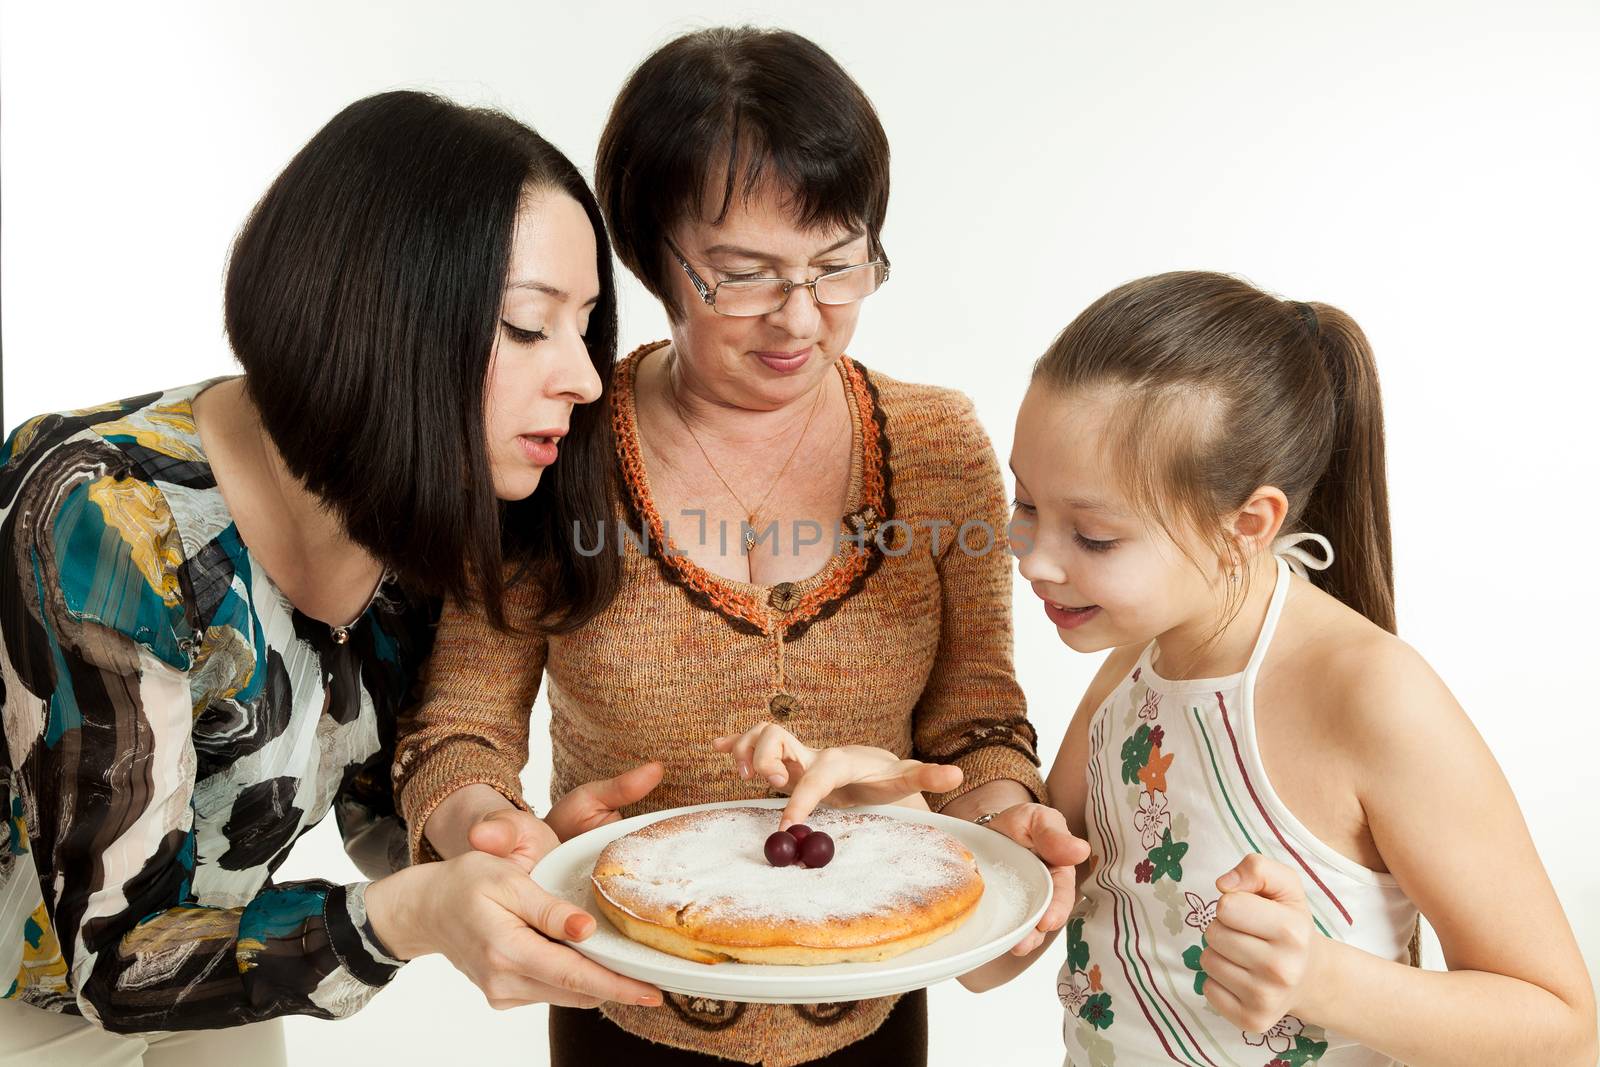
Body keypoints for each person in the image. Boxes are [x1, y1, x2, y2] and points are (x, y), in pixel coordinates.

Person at [395, 26, 1074, 1067]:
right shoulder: (557, 440)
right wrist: (491, 832)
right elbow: (460, 728)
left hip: (875, 990)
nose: (799, 318)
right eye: (744, 275)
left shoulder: (937, 445)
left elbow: (976, 721)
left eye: (837, 264)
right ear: (646, 253)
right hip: (616, 993)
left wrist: (1008, 821)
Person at [741, 271, 1599, 1066]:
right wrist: (905, 820)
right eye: (1027, 503)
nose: (1034, 559)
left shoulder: (1372, 695)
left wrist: (1325, 982)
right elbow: (998, 955)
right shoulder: (1132, 673)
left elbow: (1564, 1029)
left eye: (1096, 535)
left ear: (1248, 524)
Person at [0, 90, 663, 1066]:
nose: (586, 376)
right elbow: (115, 958)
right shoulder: (101, 512)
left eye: (587, 324)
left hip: (203, 964)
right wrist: (411, 914)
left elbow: (370, 804)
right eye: (529, 327)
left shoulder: (425, 506)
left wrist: (488, 845)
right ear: (383, 314)